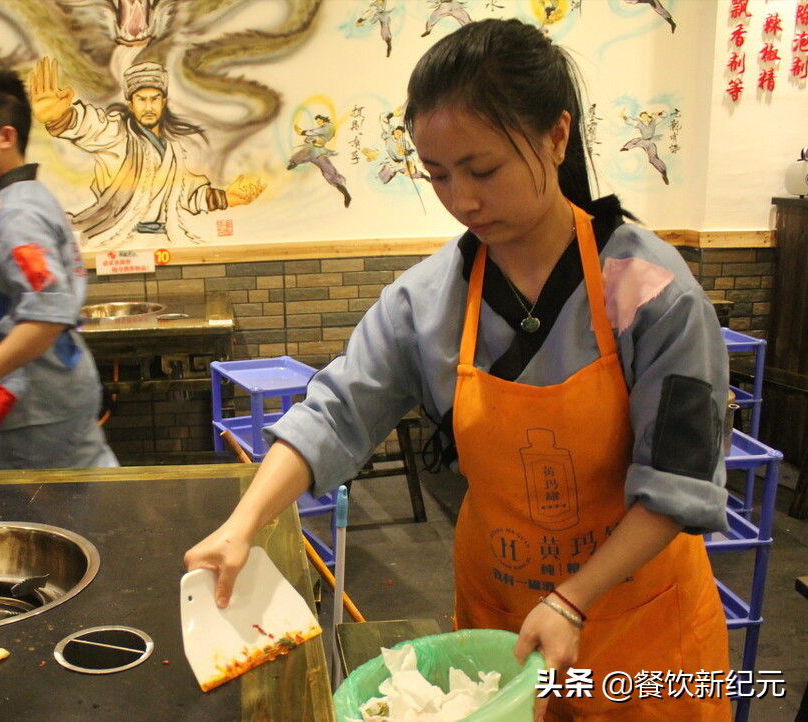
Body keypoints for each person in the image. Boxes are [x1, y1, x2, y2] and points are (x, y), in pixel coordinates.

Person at [185, 19, 730, 722]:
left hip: (640, 637)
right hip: (502, 627)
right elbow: (335, 412)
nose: (460, 201)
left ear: (555, 137)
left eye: (482, 170)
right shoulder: (427, 300)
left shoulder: (649, 292)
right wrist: (245, 522)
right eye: (436, 175)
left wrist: (571, 597)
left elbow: (677, 485)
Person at [0, 68, 118, 471]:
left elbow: (47, 312)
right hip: (43, 384)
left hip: (34, 398)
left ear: (5, 136)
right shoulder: (22, 197)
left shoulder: (16, 213)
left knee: (38, 520)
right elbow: (24, 292)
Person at [29, 57, 265, 248]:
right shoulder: (116, 134)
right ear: (131, 105)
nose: (149, 106)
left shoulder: (172, 149)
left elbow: (185, 193)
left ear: (164, 102)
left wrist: (226, 198)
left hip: (164, 241)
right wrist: (61, 117)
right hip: (116, 238)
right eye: (141, 100)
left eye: (155, 99)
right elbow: (91, 126)